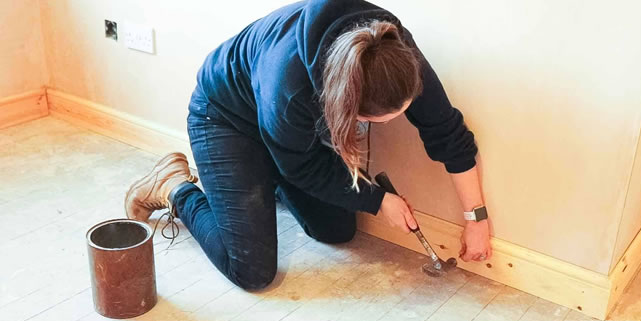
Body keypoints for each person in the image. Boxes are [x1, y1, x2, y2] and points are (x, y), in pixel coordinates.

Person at [124, 0, 491, 290]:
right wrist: (379, 200)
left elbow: (447, 132)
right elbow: (304, 167)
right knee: (251, 271)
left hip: (286, 135)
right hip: (225, 117)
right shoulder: (290, 85)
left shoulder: (394, 54)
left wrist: (476, 218)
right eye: (374, 122)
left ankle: (260, 178)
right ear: (346, 109)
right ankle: (174, 186)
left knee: (335, 231)